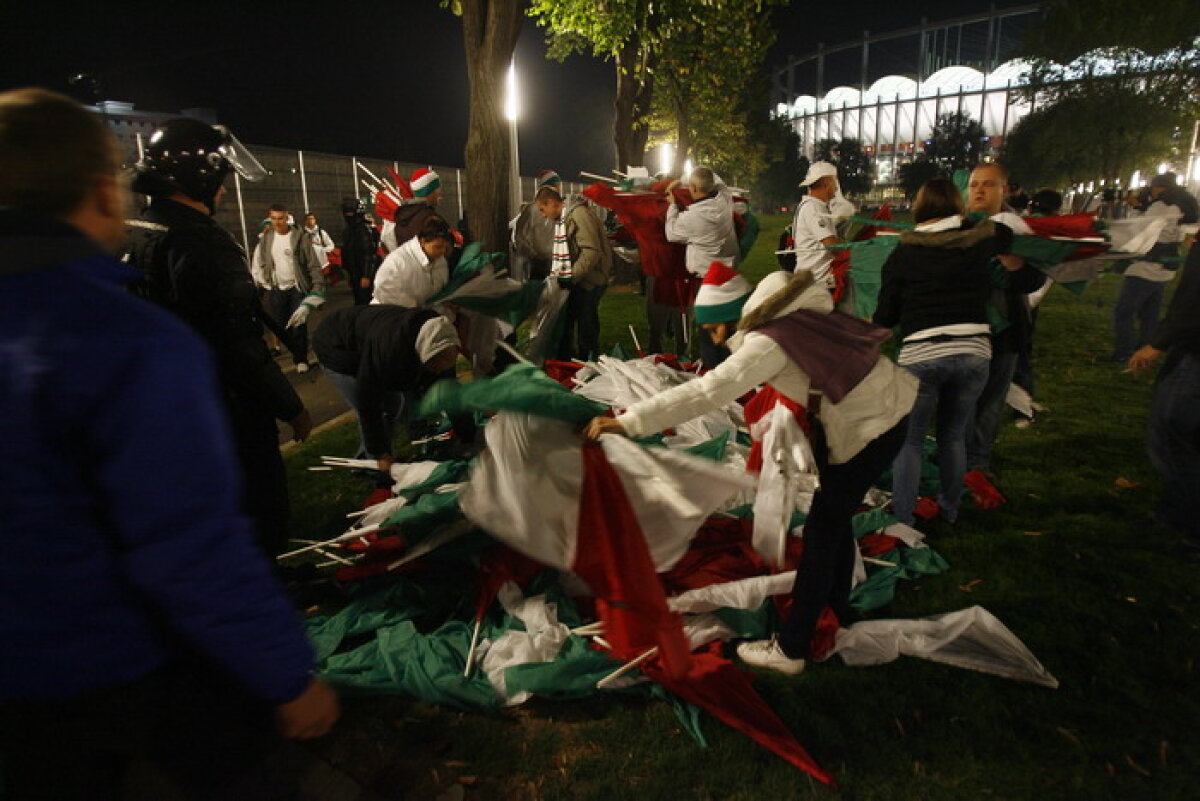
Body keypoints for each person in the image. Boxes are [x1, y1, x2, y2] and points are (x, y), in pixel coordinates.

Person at [0, 87, 339, 801]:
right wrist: (284, 672)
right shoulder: (121, 339)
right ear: (99, 189)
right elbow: (189, 543)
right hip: (119, 665)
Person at [586, 265, 917, 675]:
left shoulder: (768, 341)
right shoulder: (795, 312)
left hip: (871, 428)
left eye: (711, 329)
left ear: (728, 318)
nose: (712, 338)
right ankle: (834, 609)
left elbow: (708, 391)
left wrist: (629, 421)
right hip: (889, 411)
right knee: (832, 521)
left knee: (822, 529)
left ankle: (792, 648)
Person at [127, 118, 312, 558]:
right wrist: (291, 407)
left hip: (169, 406)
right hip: (225, 407)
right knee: (260, 506)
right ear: (201, 175)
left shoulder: (140, 229)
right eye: (222, 179)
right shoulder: (200, 242)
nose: (226, 190)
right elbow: (237, 342)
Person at [873, 178, 1014, 525]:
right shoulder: (981, 242)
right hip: (974, 349)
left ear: (919, 207)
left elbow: (886, 316)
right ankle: (950, 510)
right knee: (953, 436)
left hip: (921, 353)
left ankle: (904, 517)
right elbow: (1009, 240)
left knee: (911, 441)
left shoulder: (903, 253)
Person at [963, 162, 1046, 488]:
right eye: (974, 185)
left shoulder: (1016, 232)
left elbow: (1033, 280)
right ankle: (957, 460)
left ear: (1005, 190)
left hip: (1004, 333)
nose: (980, 191)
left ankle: (978, 463)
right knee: (963, 402)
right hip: (965, 332)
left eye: (988, 184)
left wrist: (1014, 265)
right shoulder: (960, 227)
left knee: (990, 402)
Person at [314, 305, 461, 471]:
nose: (439, 372)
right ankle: (375, 463)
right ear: (425, 354)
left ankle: (371, 457)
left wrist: (467, 435)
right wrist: (380, 453)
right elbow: (367, 399)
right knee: (384, 407)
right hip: (334, 345)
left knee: (394, 404)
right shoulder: (391, 349)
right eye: (435, 368)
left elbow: (450, 391)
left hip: (364, 339)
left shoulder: (441, 337)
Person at [1130, 240, 1200, 558]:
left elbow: (1192, 299)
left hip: (1193, 351)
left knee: (1173, 432)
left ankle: (1187, 521)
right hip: (1189, 346)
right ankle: (1173, 515)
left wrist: (1159, 343)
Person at [1111, 172, 1197, 363]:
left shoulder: (1161, 205)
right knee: (1150, 313)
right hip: (1165, 267)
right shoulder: (1182, 204)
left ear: (1160, 187)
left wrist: (1135, 210)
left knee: (1124, 311)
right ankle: (1144, 347)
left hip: (1146, 266)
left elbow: (1140, 229)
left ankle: (1124, 351)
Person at [664, 165, 739, 367]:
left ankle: (712, 371)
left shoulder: (693, 218)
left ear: (695, 189)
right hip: (729, 277)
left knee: (709, 331)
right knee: (727, 328)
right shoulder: (724, 200)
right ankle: (729, 368)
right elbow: (719, 181)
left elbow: (671, 233)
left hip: (707, 281)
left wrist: (672, 204)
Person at [536, 182, 613, 361]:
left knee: (586, 324)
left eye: (542, 209)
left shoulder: (578, 214)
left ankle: (589, 362)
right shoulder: (566, 217)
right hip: (580, 279)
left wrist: (571, 276)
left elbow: (591, 251)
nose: (542, 215)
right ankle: (574, 360)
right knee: (573, 321)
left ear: (552, 203)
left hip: (590, 280)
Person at [251, 202, 327, 373]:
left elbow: (312, 264)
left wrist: (317, 287)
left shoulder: (301, 238)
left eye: (280, 218)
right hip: (277, 288)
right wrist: (264, 280)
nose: (277, 222)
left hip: (296, 287)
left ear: (287, 218)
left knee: (298, 324)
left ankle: (301, 360)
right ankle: (298, 352)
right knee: (280, 324)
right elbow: (262, 260)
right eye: (273, 219)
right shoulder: (267, 238)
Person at [372, 214, 455, 308]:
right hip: (396, 317)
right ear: (423, 241)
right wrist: (417, 312)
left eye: (445, 248)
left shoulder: (439, 259)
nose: (443, 251)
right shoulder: (397, 263)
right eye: (438, 247)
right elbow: (384, 291)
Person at [791, 161, 845, 291]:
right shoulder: (813, 208)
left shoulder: (815, 206)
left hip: (817, 276)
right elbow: (831, 245)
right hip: (818, 280)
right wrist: (858, 251)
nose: (837, 188)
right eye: (835, 183)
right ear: (827, 184)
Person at [391, 166, 444, 248]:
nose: (441, 193)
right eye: (438, 189)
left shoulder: (402, 215)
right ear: (430, 191)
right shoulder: (430, 218)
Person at [340, 195, 380, 305]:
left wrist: (366, 275)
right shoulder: (350, 230)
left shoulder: (363, 230)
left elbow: (369, 253)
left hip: (362, 272)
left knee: (365, 302)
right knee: (360, 301)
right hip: (356, 271)